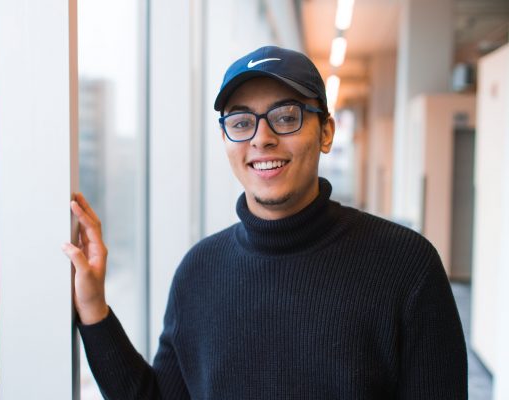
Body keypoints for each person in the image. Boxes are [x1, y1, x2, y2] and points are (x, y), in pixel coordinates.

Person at [62, 45, 467, 399]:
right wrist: (94, 307)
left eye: (286, 116)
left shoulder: (406, 266)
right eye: (241, 123)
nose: (261, 138)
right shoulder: (199, 271)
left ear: (326, 132)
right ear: (225, 141)